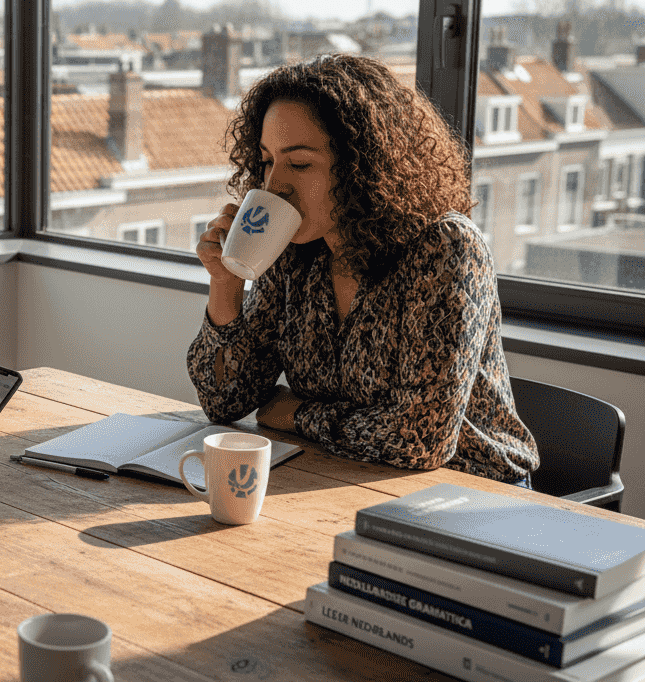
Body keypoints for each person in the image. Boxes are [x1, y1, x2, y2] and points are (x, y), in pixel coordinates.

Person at [189, 54, 538, 483]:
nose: (273, 184)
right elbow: (224, 401)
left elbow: (420, 440)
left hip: (476, 497)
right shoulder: (295, 253)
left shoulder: (446, 250)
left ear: (361, 167)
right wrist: (226, 284)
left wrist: (299, 415)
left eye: (299, 164)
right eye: (266, 160)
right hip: (345, 476)